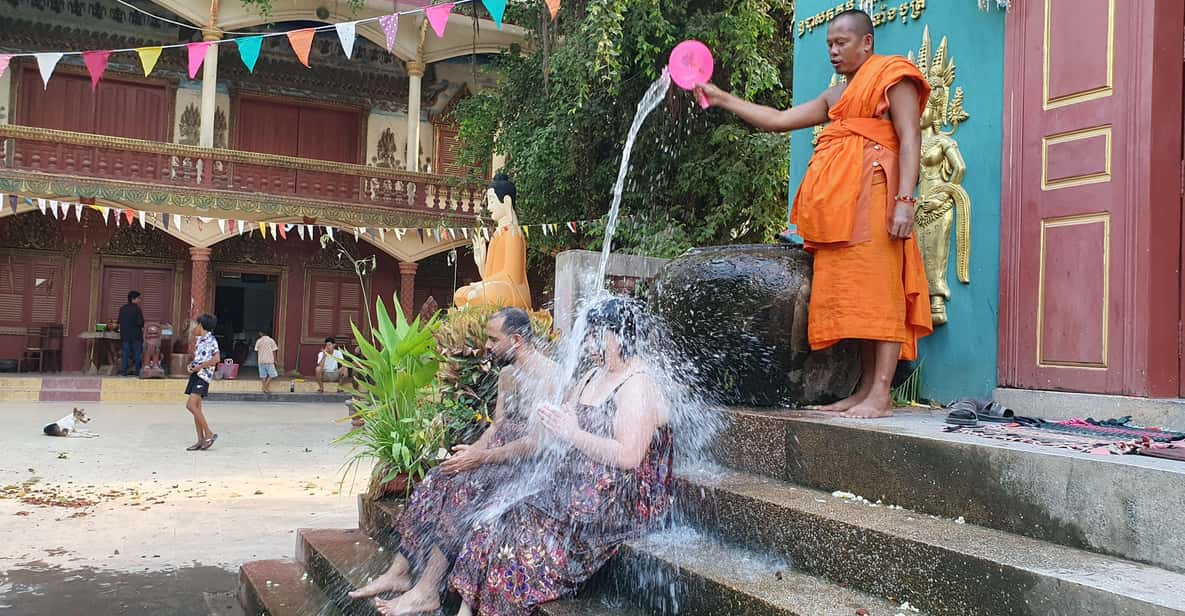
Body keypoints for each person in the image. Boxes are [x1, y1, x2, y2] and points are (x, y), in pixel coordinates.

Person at [696, 9, 932, 419]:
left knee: (881, 296)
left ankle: (881, 393)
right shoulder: (835, 98)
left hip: (879, 201)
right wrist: (723, 98)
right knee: (857, 301)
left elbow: (911, 140)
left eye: (841, 43)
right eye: (829, 45)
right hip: (841, 212)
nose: (833, 52)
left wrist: (904, 202)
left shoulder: (894, 77)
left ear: (867, 43)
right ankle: (862, 390)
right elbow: (778, 121)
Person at [448, 297, 674, 616]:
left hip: (619, 500)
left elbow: (629, 456)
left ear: (621, 336)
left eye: (598, 336)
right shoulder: (595, 375)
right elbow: (567, 418)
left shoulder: (637, 384)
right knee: (495, 518)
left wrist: (572, 433)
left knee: (519, 536)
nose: (591, 344)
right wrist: (551, 417)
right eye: (589, 335)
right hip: (578, 486)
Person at [348, 308, 558, 614]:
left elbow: (538, 444)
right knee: (439, 476)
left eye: (492, 339)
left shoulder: (549, 376)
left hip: (526, 470)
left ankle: (428, 590)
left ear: (515, 339)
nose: (486, 345)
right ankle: (399, 572)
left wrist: (480, 458)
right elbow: (497, 425)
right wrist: (469, 453)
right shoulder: (508, 373)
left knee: (463, 490)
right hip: (493, 459)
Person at [185, 313, 220, 451]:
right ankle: (200, 440)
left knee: (190, 405)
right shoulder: (199, 340)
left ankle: (209, 434)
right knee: (197, 408)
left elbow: (216, 359)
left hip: (203, 377)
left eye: (197, 324)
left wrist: (199, 367)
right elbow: (198, 358)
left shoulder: (212, 340)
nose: (195, 326)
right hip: (195, 374)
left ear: (202, 325)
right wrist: (191, 366)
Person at [118, 291, 145, 377]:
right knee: (137, 354)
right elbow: (140, 323)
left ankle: (123, 372)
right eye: (138, 298)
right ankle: (138, 372)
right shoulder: (137, 309)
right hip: (136, 335)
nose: (139, 300)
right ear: (134, 299)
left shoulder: (122, 308)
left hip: (125, 335)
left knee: (125, 354)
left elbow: (119, 321)